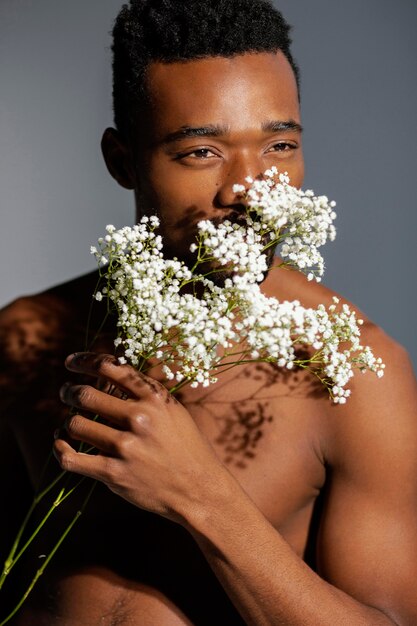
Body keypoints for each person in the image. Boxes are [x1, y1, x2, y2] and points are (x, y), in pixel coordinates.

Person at [1, 0, 416, 624]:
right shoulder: (27, 337)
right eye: (201, 151)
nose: (248, 192)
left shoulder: (353, 370)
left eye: (279, 145)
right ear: (123, 161)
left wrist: (202, 495)